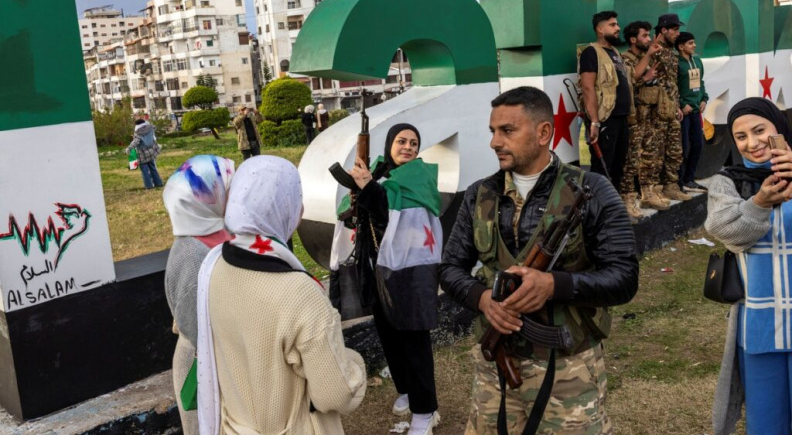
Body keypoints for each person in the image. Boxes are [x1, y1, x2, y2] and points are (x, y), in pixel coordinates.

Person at [439, 86, 639, 434]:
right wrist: (483, 300)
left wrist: (554, 285)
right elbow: (449, 268)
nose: (495, 142)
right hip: (495, 368)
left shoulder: (591, 192)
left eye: (508, 130)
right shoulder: (479, 195)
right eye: (493, 131)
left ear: (544, 132)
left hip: (569, 370)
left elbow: (624, 278)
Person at [196, 155, 366, 435]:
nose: (300, 209)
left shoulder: (215, 266)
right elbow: (336, 394)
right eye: (295, 199)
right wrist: (354, 364)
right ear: (282, 208)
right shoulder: (300, 294)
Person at [330, 124, 443, 435]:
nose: (407, 147)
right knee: (389, 332)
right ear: (389, 144)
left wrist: (368, 188)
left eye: (414, 143)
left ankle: (425, 411)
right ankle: (406, 389)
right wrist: (358, 194)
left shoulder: (417, 178)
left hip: (411, 272)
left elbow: (386, 213)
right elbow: (358, 212)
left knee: (413, 338)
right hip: (380, 268)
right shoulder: (381, 173)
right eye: (401, 141)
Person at [704, 97, 792, 435]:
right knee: (766, 423)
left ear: (779, 129)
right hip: (760, 326)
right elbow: (726, 232)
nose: (752, 143)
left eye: (760, 131)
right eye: (741, 137)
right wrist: (759, 203)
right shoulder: (728, 182)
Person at [162, 155, 235, 435]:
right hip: (203, 365)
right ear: (204, 198)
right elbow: (197, 329)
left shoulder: (219, 230)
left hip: (223, 360)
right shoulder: (192, 253)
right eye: (226, 187)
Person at [578, 11, 634, 194]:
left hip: (621, 118)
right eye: (613, 25)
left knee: (618, 167)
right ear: (600, 29)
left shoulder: (615, 52)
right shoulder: (591, 52)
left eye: (617, 24)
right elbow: (587, 87)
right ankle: (599, 213)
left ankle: (613, 210)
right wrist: (594, 121)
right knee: (602, 170)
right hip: (605, 120)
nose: (618, 28)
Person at [620, 20, 668, 212]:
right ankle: (628, 199)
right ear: (633, 39)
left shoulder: (647, 56)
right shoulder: (626, 59)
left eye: (649, 35)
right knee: (631, 160)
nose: (648, 39)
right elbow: (627, 85)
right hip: (635, 118)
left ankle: (648, 194)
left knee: (650, 156)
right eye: (644, 36)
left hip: (650, 116)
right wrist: (644, 79)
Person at [653, 13, 692, 203]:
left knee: (675, 152)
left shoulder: (671, 53)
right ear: (663, 30)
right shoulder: (653, 51)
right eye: (675, 30)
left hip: (673, 110)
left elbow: (672, 83)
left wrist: (676, 105)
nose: (678, 34)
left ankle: (672, 187)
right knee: (656, 153)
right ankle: (655, 190)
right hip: (657, 112)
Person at [676, 31, 709, 193]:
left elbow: (700, 82)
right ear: (681, 47)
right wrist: (682, 104)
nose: (694, 45)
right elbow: (672, 86)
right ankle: (678, 181)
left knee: (697, 144)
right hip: (684, 112)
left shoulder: (697, 60)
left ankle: (690, 179)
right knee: (683, 147)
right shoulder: (676, 63)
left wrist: (704, 99)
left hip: (696, 110)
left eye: (694, 42)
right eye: (690, 43)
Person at [124, 118, 163, 189]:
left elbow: (135, 142)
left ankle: (149, 186)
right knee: (153, 168)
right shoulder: (151, 129)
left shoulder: (138, 133)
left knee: (145, 171)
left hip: (142, 154)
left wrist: (129, 148)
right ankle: (158, 183)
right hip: (151, 152)